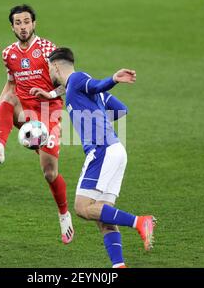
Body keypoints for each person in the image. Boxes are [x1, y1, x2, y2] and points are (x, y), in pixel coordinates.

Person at [31, 47, 156, 268]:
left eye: (49, 68)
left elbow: (94, 84)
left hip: (101, 150)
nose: (48, 73)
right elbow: (121, 109)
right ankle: (119, 266)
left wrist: (113, 79)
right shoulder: (81, 91)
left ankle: (140, 222)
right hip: (116, 149)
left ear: (55, 66)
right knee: (103, 218)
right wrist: (51, 95)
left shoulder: (79, 79)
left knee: (81, 207)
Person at [0, 5, 74, 244]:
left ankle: (64, 214)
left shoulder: (48, 50)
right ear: (12, 27)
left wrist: (48, 94)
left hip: (49, 114)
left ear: (34, 24)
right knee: (10, 99)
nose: (23, 27)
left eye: (27, 22)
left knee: (49, 172)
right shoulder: (8, 53)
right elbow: (10, 86)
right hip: (24, 114)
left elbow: (68, 84)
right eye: (18, 23)